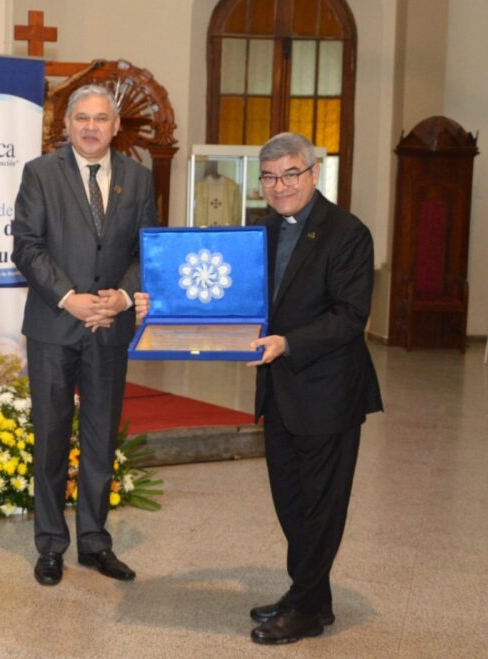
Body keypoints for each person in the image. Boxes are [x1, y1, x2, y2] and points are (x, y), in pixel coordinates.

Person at [135, 132, 382, 645]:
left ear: (313, 174)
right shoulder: (259, 233)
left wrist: (288, 342)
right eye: (269, 177)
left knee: (320, 504)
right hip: (279, 393)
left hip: (327, 392)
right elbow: (229, 299)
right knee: (291, 500)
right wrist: (170, 312)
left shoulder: (347, 233)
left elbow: (350, 316)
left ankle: (306, 607)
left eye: (291, 174)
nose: (280, 185)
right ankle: (313, 595)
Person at [12, 83, 156, 587]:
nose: (91, 127)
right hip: (55, 324)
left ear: (117, 127)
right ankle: (51, 544)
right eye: (83, 119)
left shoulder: (138, 179)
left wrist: (120, 296)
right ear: (67, 125)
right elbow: (27, 247)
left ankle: (95, 543)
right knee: (51, 438)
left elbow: (146, 250)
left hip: (111, 327)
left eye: (101, 119)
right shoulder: (40, 173)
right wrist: (70, 297)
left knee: (100, 437)